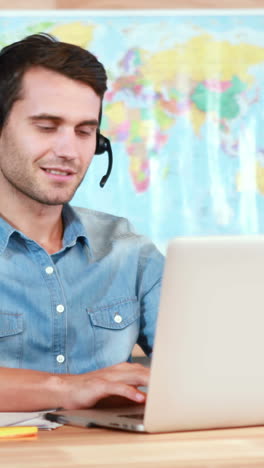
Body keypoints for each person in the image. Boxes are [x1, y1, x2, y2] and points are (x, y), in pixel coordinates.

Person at [0, 33, 164, 411]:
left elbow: (202, 364)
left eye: (84, 131)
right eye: (46, 126)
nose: (68, 151)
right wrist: (67, 389)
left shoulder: (129, 252)